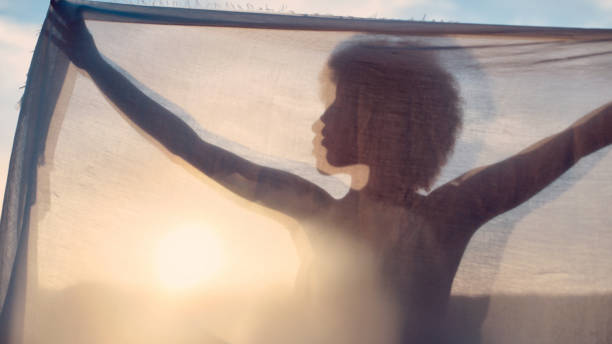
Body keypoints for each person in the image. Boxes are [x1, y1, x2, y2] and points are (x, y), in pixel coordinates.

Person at [48, 3, 612, 343]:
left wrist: (96, 63)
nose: (321, 120)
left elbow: (574, 143)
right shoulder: (333, 209)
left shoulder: (447, 211)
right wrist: (95, 64)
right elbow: (192, 147)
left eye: (339, 105)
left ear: (383, 119)